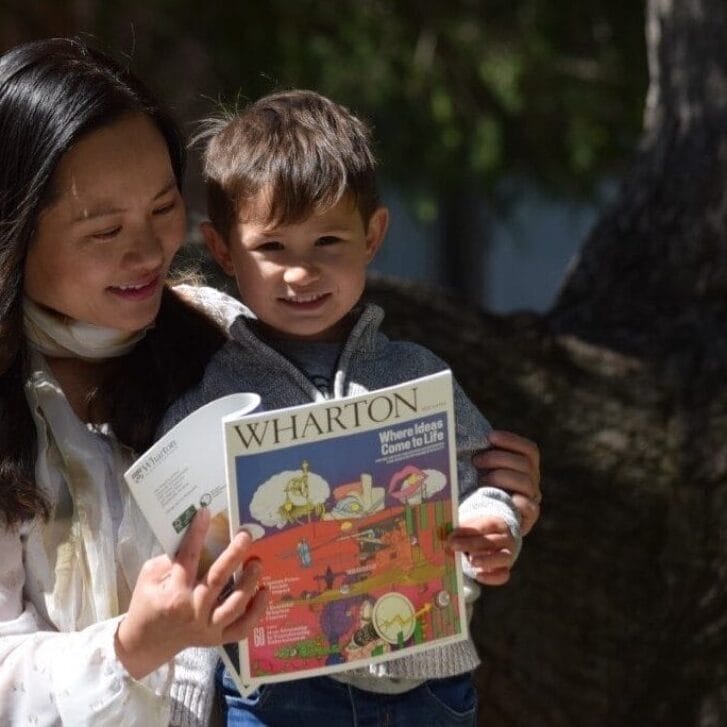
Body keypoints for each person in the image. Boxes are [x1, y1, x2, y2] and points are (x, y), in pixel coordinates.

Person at [159, 89, 542, 726]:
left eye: (328, 241)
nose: (301, 274)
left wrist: (493, 525)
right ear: (223, 250)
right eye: (273, 248)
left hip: (425, 681)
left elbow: (480, 484)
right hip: (278, 691)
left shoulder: (417, 373)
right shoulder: (208, 400)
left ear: (373, 236)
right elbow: (183, 535)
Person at [0, 38, 271, 725]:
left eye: (162, 207)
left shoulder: (224, 339)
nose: (149, 250)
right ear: (14, 233)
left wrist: (480, 504)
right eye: (104, 229)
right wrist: (131, 646)